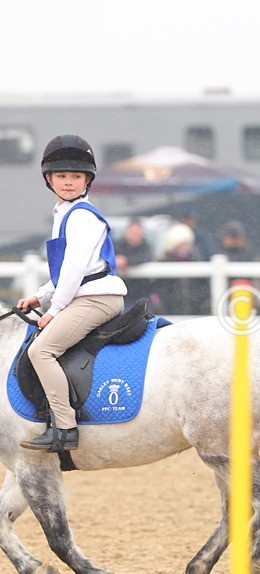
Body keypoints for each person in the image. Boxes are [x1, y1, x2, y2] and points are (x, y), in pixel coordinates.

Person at [15, 134, 127, 453]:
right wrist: (40, 296)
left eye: (75, 176)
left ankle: (65, 428)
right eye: (61, 176)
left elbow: (75, 270)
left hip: (96, 298)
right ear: (49, 179)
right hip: (85, 294)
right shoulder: (65, 214)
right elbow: (65, 272)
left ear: (87, 180)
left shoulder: (81, 217)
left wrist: (54, 309)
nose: (68, 182)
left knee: (42, 351)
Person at [115, 218, 154, 311]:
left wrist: (126, 261)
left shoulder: (145, 245)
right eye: (133, 231)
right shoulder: (118, 244)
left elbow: (146, 257)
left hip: (142, 292)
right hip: (123, 293)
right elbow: (114, 258)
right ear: (126, 232)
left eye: (138, 232)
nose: (135, 235)